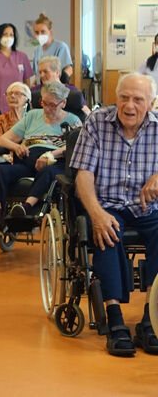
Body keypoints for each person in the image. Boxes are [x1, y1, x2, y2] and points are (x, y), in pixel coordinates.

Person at [70, 73, 158, 357]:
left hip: (148, 208)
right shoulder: (96, 123)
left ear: (152, 103)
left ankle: (151, 319)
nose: (129, 106)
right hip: (107, 203)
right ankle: (116, 319)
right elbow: (83, 175)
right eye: (124, 98)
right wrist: (96, 213)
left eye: (138, 99)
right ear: (115, 98)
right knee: (106, 230)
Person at [0, 81, 81, 234]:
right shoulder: (33, 115)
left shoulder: (73, 120)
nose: (46, 109)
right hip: (27, 161)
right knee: (0, 170)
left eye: (52, 105)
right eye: (44, 103)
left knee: (49, 172)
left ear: (63, 103)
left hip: (54, 162)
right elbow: (2, 139)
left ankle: (25, 209)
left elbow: (77, 145)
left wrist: (50, 155)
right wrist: (17, 146)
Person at [31, 55, 90, 120]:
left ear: (57, 73)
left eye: (45, 72)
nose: (41, 75)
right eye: (40, 72)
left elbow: (87, 113)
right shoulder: (34, 91)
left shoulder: (72, 91)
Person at [0, 82, 31, 163]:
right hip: (6, 158)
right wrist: (6, 157)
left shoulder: (31, 119)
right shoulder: (1, 119)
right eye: (10, 94)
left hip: (29, 157)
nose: (12, 96)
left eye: (17, 93)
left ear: (26, 99)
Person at [31, 13, 73, 80]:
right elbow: (37, 74)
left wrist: (60, 83)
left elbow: (69, 69)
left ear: (50, 32)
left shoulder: (61, 47)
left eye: (43, 32)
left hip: (55, 86)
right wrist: (34, 84)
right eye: (37, 32)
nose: (40, 35)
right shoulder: (37, 50)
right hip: (41, 87)